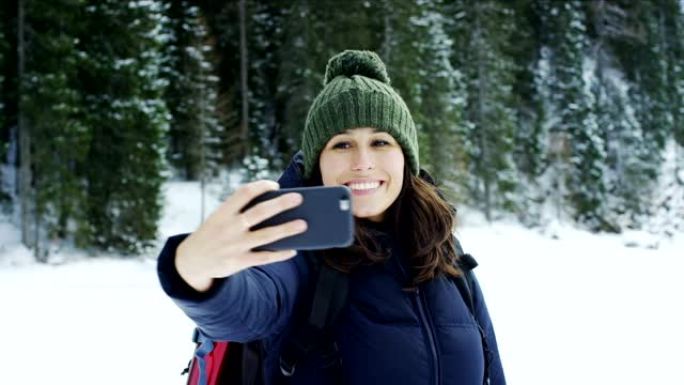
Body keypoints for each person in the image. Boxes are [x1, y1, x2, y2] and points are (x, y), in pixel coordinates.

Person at [158, 50, 506, 385]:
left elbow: (493, 370)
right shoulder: (297, 247)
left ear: (405, 157)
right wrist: (193, 269)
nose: (363, 162)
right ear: (317, 162)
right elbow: (247, 308)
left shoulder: (443, 250)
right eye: (342, 144)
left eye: (381, 142)